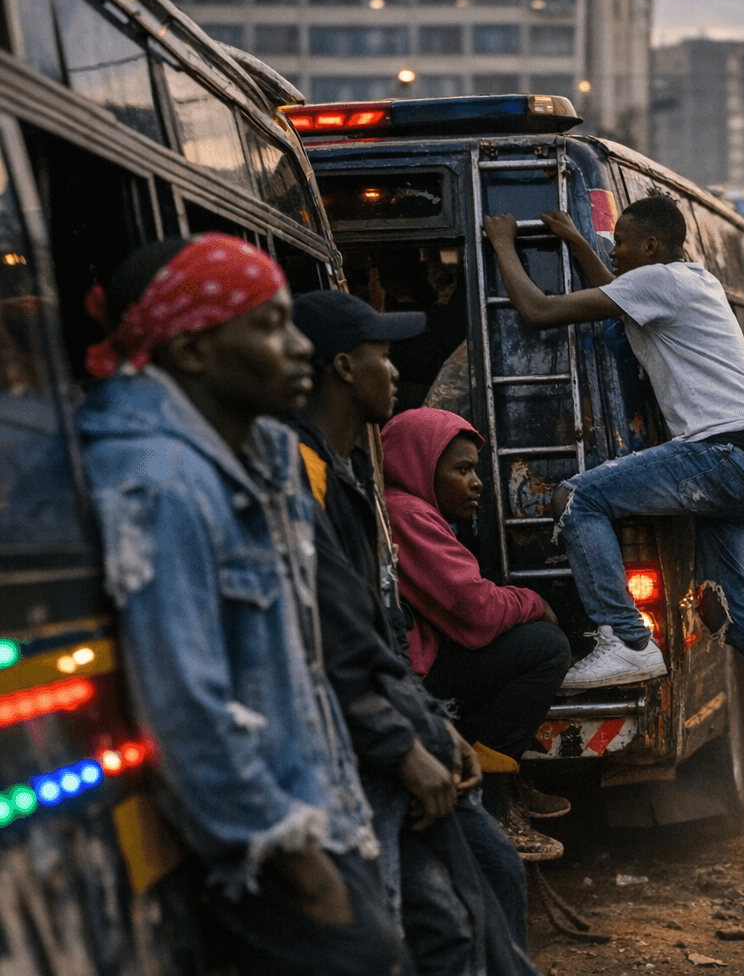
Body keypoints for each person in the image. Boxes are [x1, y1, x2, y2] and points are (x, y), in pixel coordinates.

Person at [75, 235, 401, 976]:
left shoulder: (255, 458)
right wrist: (299, 863)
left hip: (315, 809)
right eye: (271, 326)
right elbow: (185, 705)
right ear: (194, 352)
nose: (300, 347)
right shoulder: (159, 482)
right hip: (268, 842)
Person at [483, 196, 744, 797]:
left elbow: (538, 311)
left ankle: (626, 638)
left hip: (724, 451)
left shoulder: (661, 282)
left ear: (650, 247)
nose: (615, 252)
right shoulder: (686, 281)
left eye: (621, 244)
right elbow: (615, 299)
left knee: (579, 499)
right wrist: (577, 242)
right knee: (731, 609)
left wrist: (502, 243)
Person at [284, 290, 543, 975]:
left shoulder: (349, 476)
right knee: (446, 920)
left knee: (484, 886)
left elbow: (376, 625)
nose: (396, 370)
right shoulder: (302, 476)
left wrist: (429, 724)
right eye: (383, 354)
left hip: (398, 720)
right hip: (359, 744)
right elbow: (331, 638)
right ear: (344, 368)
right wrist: (403, 741)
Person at [381, 407, 570, 857]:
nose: (477, 483)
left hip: (422, 664)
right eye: (462, 470)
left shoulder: (413, 511)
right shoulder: (407, 513)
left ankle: (506, 786)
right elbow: (476, 612)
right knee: (545, 647)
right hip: (415, 679)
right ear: (420, 466)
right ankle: (493, 798)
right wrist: (534, 603)